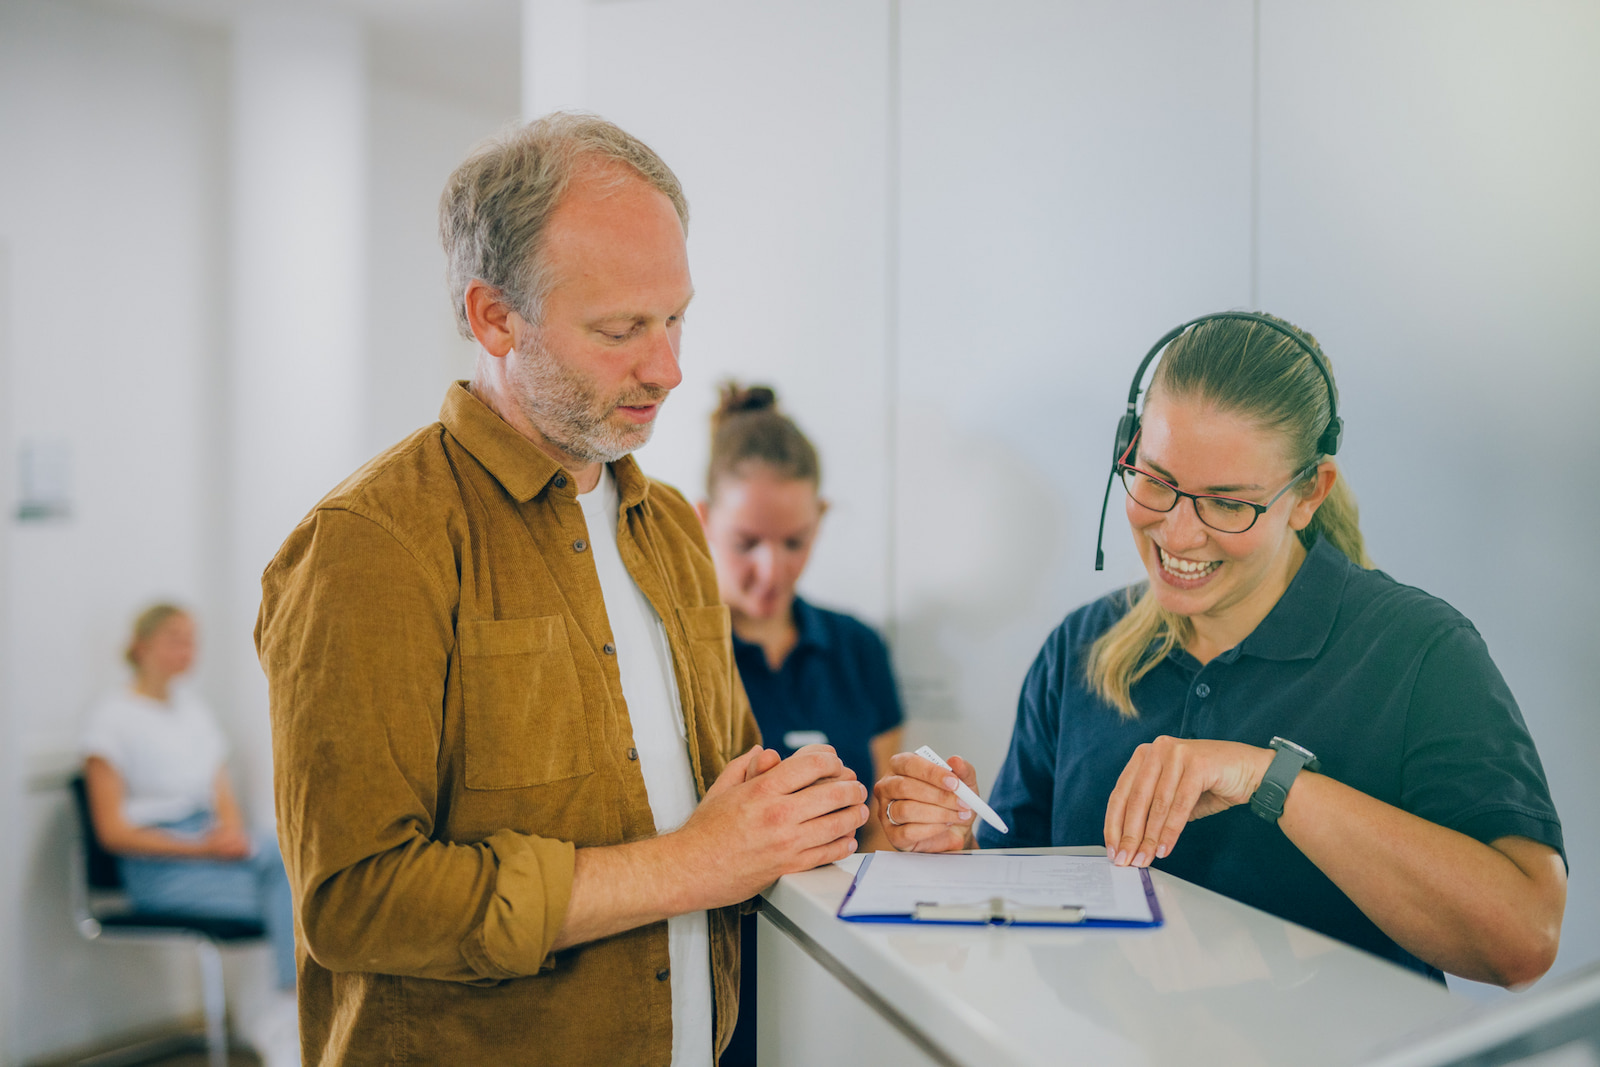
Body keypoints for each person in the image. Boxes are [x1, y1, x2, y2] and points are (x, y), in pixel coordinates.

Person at [255, 112, 869, 1066]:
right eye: (621, 329)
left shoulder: (666, 529)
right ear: (493, 317)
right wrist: (689, 864)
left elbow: (737, 809)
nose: (668, 369)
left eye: (675, 319)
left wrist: (863, 819)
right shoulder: (367, 547)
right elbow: (356, 900)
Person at [874, 313, 1566, 988]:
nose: (1178, 534)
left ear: (1308, 493)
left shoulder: (1418, 651)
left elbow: (1523, 939)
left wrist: (1270, 778)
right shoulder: (1077, 650)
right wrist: (955, 849)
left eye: (1227, 503)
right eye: (1155, 480)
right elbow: (1021, 889)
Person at [696, 383, 904, 1065]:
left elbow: (882, 824)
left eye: (794, 541)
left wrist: (924, 823)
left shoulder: (859, 648)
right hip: (715, 976)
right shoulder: (681, 655)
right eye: (746, 542)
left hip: (840, 968)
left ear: (820, 518)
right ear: (702, 521)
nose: (771, 568)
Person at [81, 603, 296, 991]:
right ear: (141, 646)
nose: (187, 651)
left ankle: (291, 1010)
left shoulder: (193, 712)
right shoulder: (111, 721)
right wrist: (201, 849)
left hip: (209, 844)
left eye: (192, 642)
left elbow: (221, 790)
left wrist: (229, 834)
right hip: (161, 867)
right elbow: (112, 832)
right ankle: (291, 1010)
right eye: (175, 640)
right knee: (299, 901)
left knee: (299, 861)